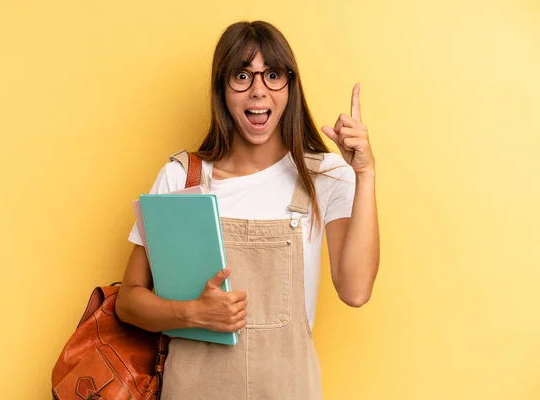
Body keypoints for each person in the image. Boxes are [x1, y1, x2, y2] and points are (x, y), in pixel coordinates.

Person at [115, 20, 380, 400]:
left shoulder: (324, 175)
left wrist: (365, 173)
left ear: (290, 85)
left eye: (272, 75)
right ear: (222, 88)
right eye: (242, 76)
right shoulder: (182, 178)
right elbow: (129, 301)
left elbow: (356, 291)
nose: (258, 91)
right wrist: (194, 313)